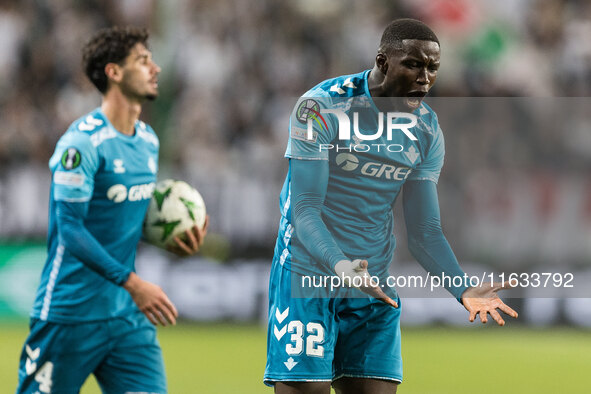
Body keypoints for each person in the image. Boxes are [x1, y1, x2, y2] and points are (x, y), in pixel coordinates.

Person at [264, 18, 518, 394]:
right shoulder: (320, 107)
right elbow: (304, 210)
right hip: (308, 273)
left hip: (372, 282)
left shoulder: (427, 131)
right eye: (413, 64)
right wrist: (340, 265)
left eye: (432, 67)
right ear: (383, 61)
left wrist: (462, 287)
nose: (424, 77)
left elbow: (424, 232)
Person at [16, 26, 208, 394]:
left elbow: (125, 221)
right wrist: (133, 283)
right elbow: (70, 229)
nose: (156, 69)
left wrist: (175, 236)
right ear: (114, 72)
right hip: (69, 315)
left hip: (125, 319)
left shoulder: (148, 140)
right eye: (143, 61)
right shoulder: (82, 144)